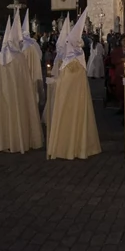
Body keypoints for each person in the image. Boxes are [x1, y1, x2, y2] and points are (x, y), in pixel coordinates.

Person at [47, 10, 101, 160]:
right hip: (74, 97)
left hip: (66, 98)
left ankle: (65, 145)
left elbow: (65, 79)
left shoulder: (72, 60)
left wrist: (55, 81)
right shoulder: (80, 58)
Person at [0, 15, 41, 153]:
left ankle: (2, 140)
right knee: (16, 116)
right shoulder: (19, 58)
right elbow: (25, 81)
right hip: (17, 95)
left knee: (3, 116)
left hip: (1, 97)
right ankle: (16, 141)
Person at [20, 10, 45, 106]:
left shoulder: (23, 46)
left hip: (27, 69)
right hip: (35, 68)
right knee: (36, 86)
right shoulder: (34, 43)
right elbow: (40, 55)